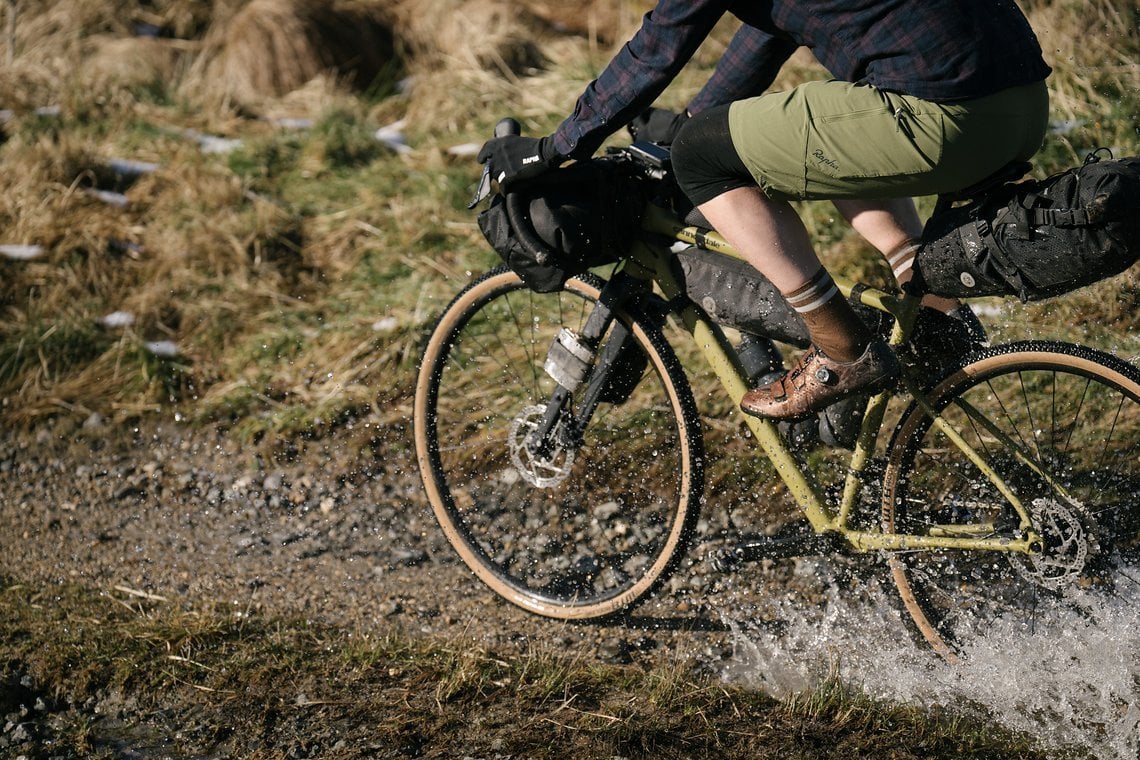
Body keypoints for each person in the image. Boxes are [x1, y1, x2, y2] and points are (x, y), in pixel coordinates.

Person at [478, 0, 1050, 420]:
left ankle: (839, 350)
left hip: (945, 116)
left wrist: (553, 149)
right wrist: (696, 120)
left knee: (701, 158)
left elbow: (659, 46)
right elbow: (767, 31)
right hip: (1021, 106)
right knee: (822, 120)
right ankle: (932, 312)